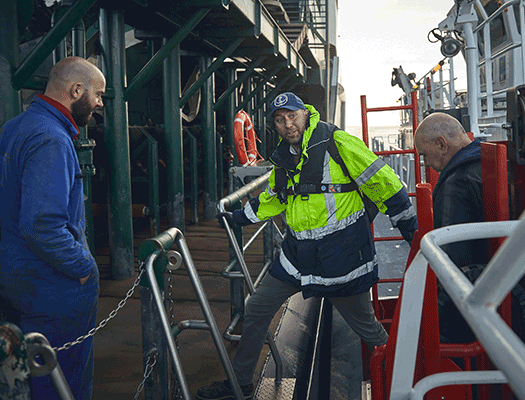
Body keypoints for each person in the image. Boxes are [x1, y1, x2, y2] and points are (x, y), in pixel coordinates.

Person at [197, 92, 418, 400]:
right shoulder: (284, 158)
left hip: (341, 261)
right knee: (257, 309)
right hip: (298, 256)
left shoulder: (336, 142)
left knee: (369, 330)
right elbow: (274, 197)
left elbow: (383, 181)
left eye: (292, 116)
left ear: (305, 113)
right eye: (279, 119)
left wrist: (410, 228)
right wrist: (237, 217)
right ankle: (240, 384)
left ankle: (404, 384)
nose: (288, 124)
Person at [0, 56, 105, 400]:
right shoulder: (52, 138)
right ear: (76, 90)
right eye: (98, 94)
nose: (99, 103)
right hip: (51, 283)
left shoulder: (12, 129)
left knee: (24, 373)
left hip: (12, 270)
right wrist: (83, 267)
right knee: (60, 380)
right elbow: (42, 225)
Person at [414, 112, 487, 343]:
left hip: (471, 308)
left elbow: (451, 259)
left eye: (425, 155)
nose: (426, 163)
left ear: (442, 144)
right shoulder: (485, 163)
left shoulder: (455, 184)